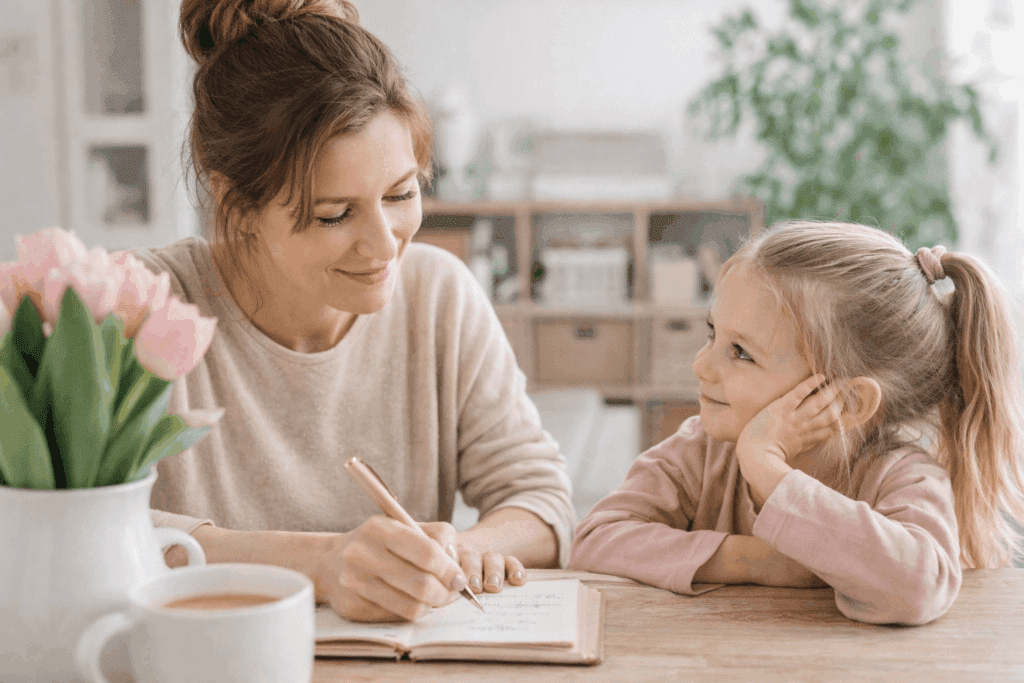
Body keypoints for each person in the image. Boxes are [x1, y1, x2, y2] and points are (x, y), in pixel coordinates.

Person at [136, 0, 574, 623]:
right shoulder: (137, 305)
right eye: (334, 215)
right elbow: (72, 530)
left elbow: (541, 499)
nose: (384, 244)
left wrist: (459, 552)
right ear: (235, 202)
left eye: (401, 194)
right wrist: (319, 565)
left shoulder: (439, 296)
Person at [570, 220, 1024, 625]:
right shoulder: (700, 450)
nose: (701, 366)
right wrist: (751, 560)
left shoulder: (905, 478)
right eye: (712, 334)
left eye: (741, 353)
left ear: (848, 403)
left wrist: (766, 467)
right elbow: (594, 540)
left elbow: (918, 588)